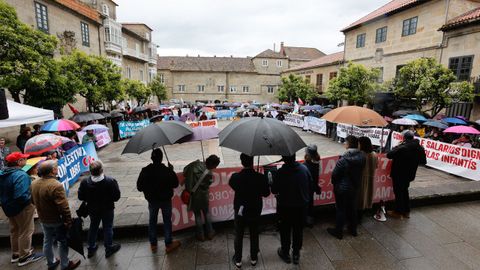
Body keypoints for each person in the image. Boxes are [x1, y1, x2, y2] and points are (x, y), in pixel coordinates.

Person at [31, 160, 80, 270]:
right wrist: (68, 220)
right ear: (52, 171)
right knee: (62, 242)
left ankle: (51, 262)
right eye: (56, 167)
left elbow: (32, 200)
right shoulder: (55, 185)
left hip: (43, 218)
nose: (57, 168)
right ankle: (65, 265)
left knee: (47, 240)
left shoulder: (34, 183)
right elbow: (63, 206)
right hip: (56, 220)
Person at [0, 152, 44, 266]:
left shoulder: (2, 173)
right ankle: (24, 256)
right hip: (22, 207)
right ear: (19, 162)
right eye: (24, 159)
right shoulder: (21, 175)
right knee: (26, 231)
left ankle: (16, 254)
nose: (26, 161)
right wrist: (32, 199)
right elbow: (21, 196)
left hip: (8, 207)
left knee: (14, 230)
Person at [229, 154, 270, 268]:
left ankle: (238, 260)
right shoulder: (260, 177)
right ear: (252, 162)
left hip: (240, 211)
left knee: (239, 234)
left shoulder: (235, 177)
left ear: (242, 162)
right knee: (254, 233)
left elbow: (233, 185)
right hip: (255, 210)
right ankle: (253, 258)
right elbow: (266, 193)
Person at [136, 149, 181, 253]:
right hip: (166, 200)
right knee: (167, 221)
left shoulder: (145, 170)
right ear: (162, 158)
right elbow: (175, 184)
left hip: (152, 201)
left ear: (151, 158)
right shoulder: (167, 170)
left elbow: (139, 187)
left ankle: (153, 244)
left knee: (152, 221)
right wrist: (172, 170)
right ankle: (168, 243)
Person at [271, 154, 311, 265]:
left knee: (285, 230)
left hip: (285, 207)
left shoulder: (280, 173)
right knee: (298, 230)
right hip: (301, 207)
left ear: (284, 159)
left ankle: (285, 253)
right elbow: (310, 184)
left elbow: (274, 190)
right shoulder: (304, 169)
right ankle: (296, 254)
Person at [78, 161, 122, 258]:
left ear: (90, 171)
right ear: (101, 170)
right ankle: (109, 248)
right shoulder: (110, 181)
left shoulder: (85, 182)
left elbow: (81, 197)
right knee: (108, 227)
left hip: (92, 209)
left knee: (93, 227)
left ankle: (91, 248)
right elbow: (116, 197)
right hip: (107, 208)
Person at [327, 136, 366, 240]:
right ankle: (353, 230)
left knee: (341, 209)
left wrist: (336, 184)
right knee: (352, 208)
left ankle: (338, 231)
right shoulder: (362, 156)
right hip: (354, 187)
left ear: (348, 144)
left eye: (345, 142)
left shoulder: (344, 159)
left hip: (342, 188)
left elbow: (335, 175)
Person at [387, 131, 426, 218]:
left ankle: (398, 211)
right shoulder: (420, 147)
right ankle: (406, 211)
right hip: (410, 174)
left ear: (404, 138)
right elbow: (423, 161)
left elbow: (389, 155)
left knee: (398, 192)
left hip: (399, 173)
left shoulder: (403, 147)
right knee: (405, 191)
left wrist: (397, 147)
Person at [184, 155, 221, 241]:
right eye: (215, 166)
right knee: (206, 213)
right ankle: (210, 232)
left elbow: (185, 171)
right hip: (203, 196)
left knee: (197, 215)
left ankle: (201, 235)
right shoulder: (209, 174)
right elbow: (207, 185)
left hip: (193, 196)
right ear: (213, 165)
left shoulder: (194, 164)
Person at [357, 137, 377, 222]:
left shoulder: (360, 154)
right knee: (366, 197)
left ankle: (357, 218)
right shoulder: (374, 154)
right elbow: (376, 166)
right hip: (370, 178)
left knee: (359, 198)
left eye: (358, 143)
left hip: (361, 179)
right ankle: (361, 216)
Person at [304, 144, 321, 227]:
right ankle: (310, 221)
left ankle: (306, 220)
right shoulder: (316, 163)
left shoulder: (306, 165)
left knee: (306, 205)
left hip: (306, 188)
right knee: (310, 204)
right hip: (312, 188)